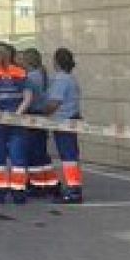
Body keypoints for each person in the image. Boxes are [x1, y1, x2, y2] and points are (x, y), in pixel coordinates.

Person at [0, 43, 33, 204]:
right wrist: (17, 114)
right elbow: (28, 97)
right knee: (18, 157)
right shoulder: (21, 72)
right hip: (16, 121)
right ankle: (18, 193)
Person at [41, 48, 84, 203]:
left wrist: (41, 113)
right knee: (71, 156)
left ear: (56, 62)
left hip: (63, 122)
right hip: (70, 120)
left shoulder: (61, 80)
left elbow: (54, 102)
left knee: (68, 158)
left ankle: (74, 191)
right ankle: (74, 188)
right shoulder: (71, 79)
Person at [18, 48, 56, 197]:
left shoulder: (31, 78)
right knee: (41, 151)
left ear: (28, 61)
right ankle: (50, 183)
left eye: (22, 59)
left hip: (32, 114)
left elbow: (27, 97)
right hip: (41, 115)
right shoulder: (42, 75)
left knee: (33, 152)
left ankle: (37, 185)